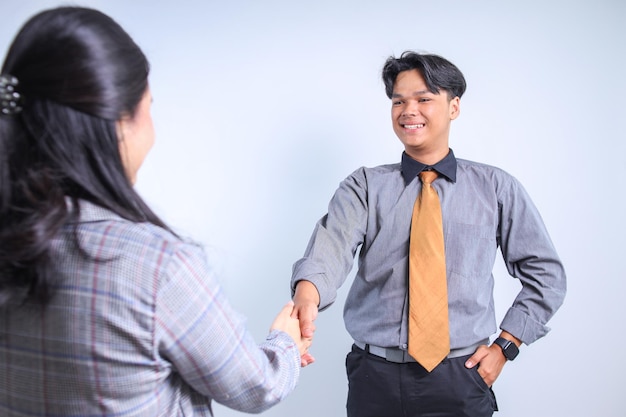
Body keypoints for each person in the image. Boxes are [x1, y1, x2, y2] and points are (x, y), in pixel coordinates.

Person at [0, 7, 310, 417]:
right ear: (119, 122)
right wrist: (284, 342)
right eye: (149, 106)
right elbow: (257, 386)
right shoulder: (155, 266)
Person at [291, 51, 566, 416]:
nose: (409, 110)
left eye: (423, 99)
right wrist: (306, 299)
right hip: (375, 377)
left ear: (453, 107)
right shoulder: (365, 186)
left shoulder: (496, 188)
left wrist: (506, 345)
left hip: (462, 376)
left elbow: (547, 276)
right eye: (399, 101)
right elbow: (328, 252)